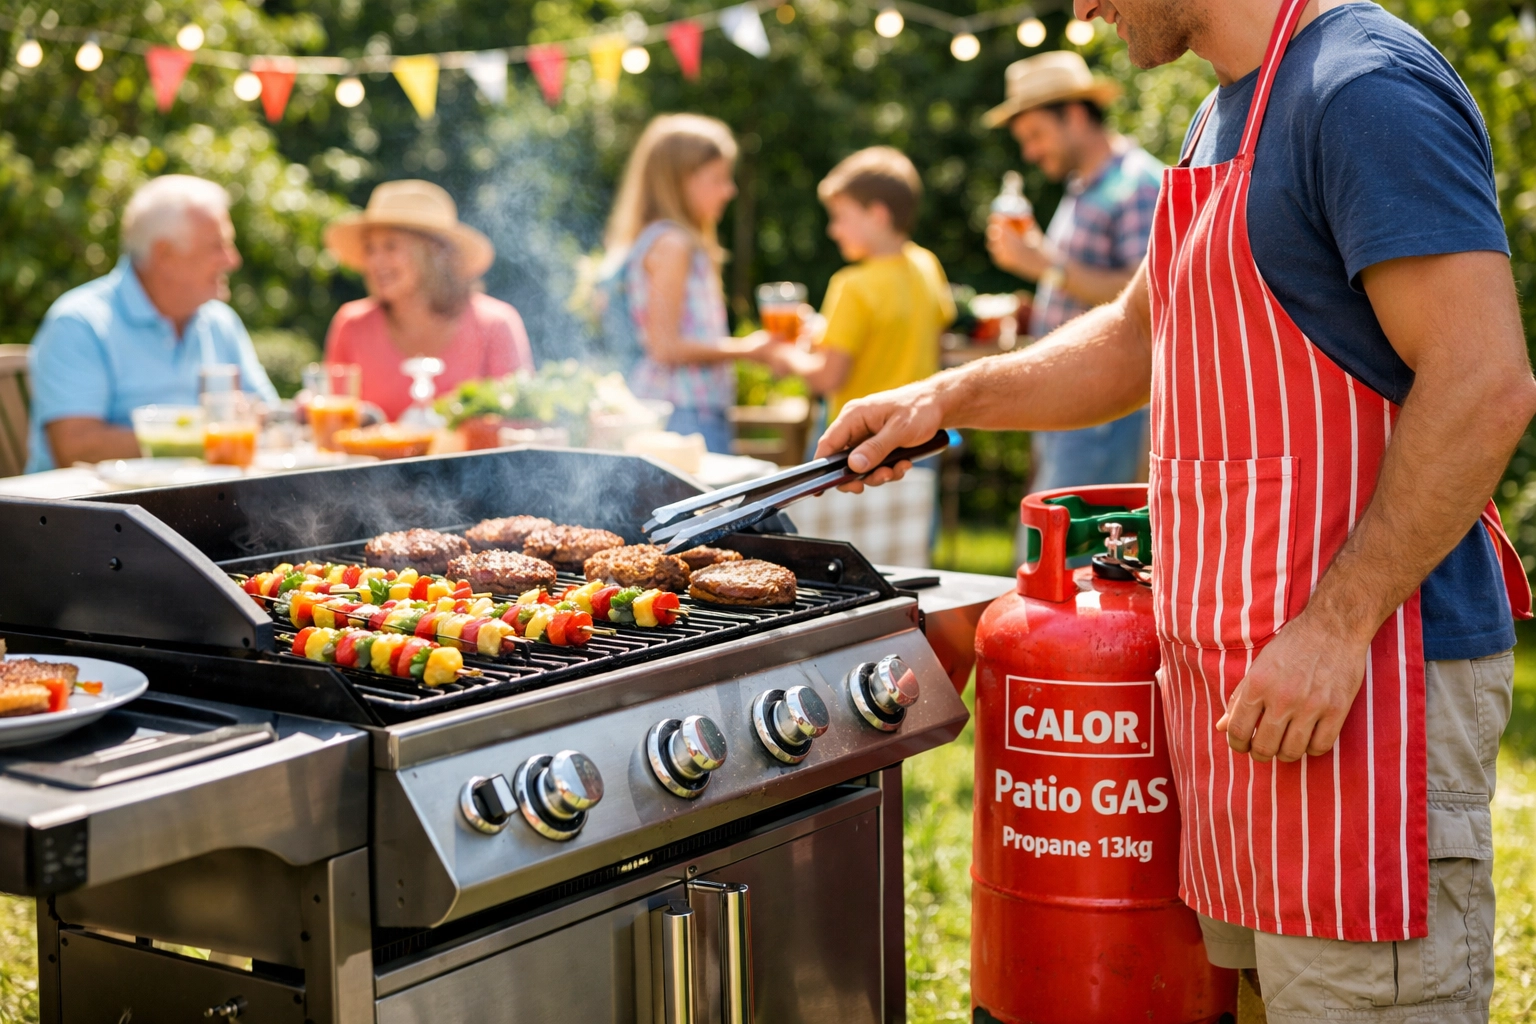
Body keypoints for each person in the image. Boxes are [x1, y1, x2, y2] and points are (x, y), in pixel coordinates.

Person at [817, 0, 1536, 1017]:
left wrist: (1334, 629)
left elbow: (1483, 381)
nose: (1082, 8)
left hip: (1366, 685)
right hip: (1242, 699)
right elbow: (1128, 341)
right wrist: (948, 396)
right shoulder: (1223, 114)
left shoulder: (1362, 88)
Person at [982, 51, 1162, 511]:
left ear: (1077, 116)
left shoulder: (1136, 184)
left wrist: (1044, 266)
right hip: (1070, 396)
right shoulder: (1085, 186)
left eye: (1037, 135)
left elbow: (1152, 295)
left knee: (1071, 552)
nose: (1030, 151)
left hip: (1104, 404)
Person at [24, 175, 278, 473]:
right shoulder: (79, 323)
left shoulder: (219, 321)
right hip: (101, 513)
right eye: (217, 246)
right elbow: (76, 449)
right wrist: (210, 434)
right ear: (165, 255)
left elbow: (266, 415)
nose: (232, 260)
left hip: (202, 505)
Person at [601, 114, 771, 453]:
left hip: (691, 410)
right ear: (680, 181)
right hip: (682, 414)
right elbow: (664, 346)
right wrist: (748, 349)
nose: (729, 190)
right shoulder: (672, 244)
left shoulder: (666, 241)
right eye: (718, 178)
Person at [762, 146, 955, 425]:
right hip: (918, 430)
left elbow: (827, 378)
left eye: (840, 217)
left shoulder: (851, 285)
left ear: (877, 215)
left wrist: (783, 354)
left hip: (860, 439)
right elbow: (927, 339)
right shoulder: (927, 263)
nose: (833, 229)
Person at [322, 180, 533, 421]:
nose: (375, 262)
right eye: (370, 249)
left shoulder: (494, 324)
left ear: (435, 254)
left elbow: (521, 422)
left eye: (391, 246)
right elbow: (332, 420)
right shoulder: (351, 324)